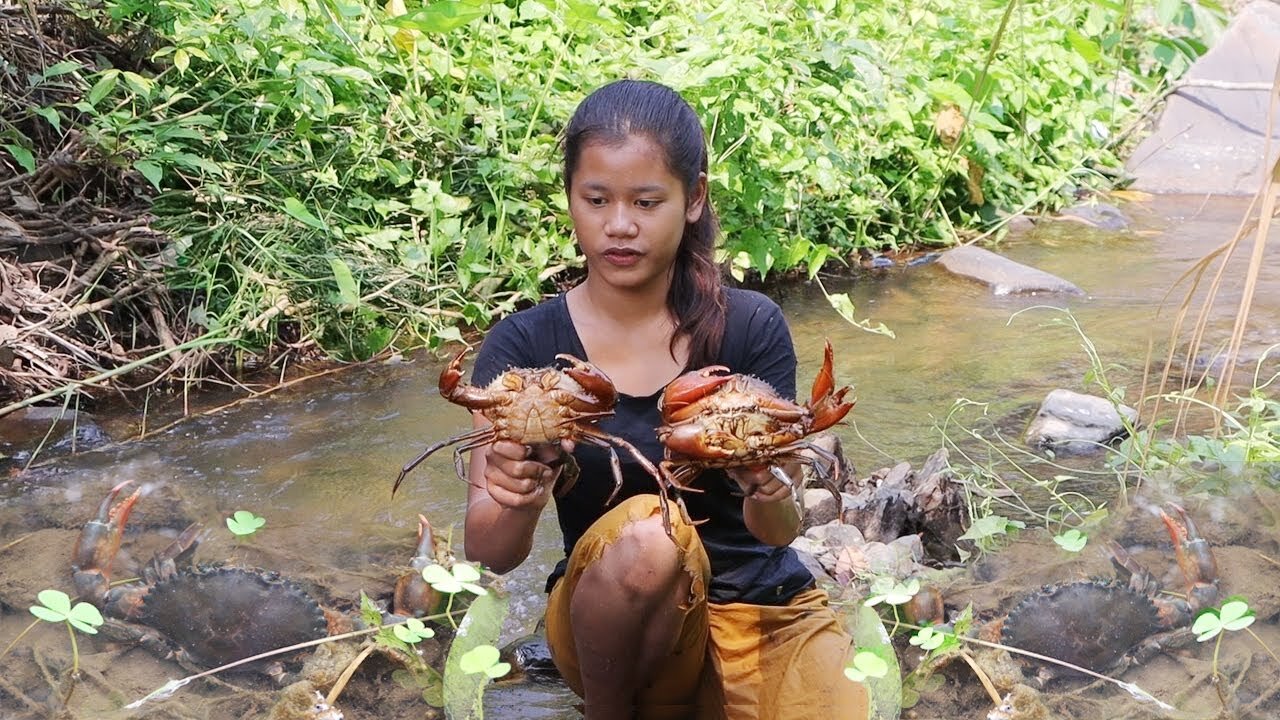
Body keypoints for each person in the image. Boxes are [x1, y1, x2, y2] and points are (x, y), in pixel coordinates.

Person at [461, 79, 869, 720]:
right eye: (596, 200)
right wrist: (518, 495)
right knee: (653, 534)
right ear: (570, 199)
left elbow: (779, 531)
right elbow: (490, 551)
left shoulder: (750, 325)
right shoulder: (525, 346)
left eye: (647, 202)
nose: (619, 225)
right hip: (612, 627)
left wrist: (774, 490)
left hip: (759, 606)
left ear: (693, 198)